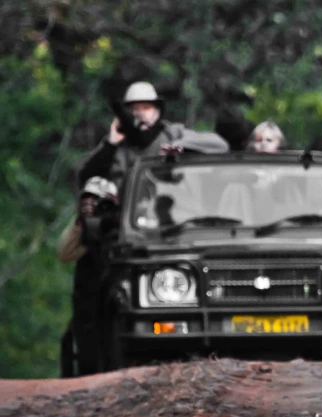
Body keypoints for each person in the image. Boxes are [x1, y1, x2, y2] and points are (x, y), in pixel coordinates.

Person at [76, 81, 230, 187]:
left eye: (146, 108)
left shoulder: (173, 134)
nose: (140, 114)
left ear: (157, 112)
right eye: (135, 109)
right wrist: (110, 144)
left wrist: (180, 148)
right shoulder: (116, 145)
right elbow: (85, 178)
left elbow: (220, 145)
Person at [57, 177, 119, 377]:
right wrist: (81, 226)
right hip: (87, 305)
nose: (90, 205)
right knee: (79, 345)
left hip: (113, 304)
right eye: (87, 200)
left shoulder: (121, 226)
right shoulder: (84, 231)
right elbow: (64, 254)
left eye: (97, 201)